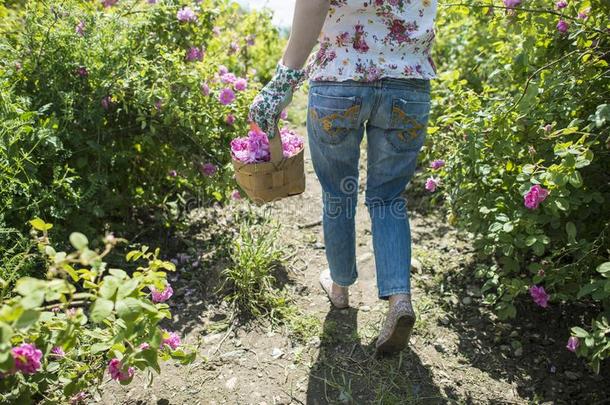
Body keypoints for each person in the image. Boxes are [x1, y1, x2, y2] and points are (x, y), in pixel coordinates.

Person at [249, 0, 438, 354]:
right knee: (388, 197)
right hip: (409, 85)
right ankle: (399, 299)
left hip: (340, 79)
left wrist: (283, 80)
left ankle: (340, 289)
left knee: (338, 193)